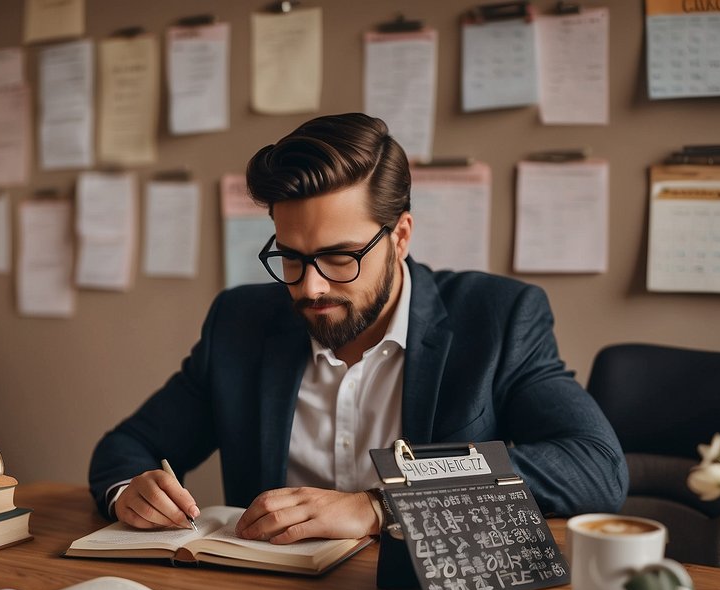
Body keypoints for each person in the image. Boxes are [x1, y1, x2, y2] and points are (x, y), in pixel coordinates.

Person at [89, 113, 627, 543]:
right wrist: (129, 491)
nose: (311, 287)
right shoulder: (240, 323)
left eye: (340, 257)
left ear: (400, 238)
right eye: (292, 258)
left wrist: (381, 506)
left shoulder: (498, 317)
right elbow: (128, 446)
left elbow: (595, 466)